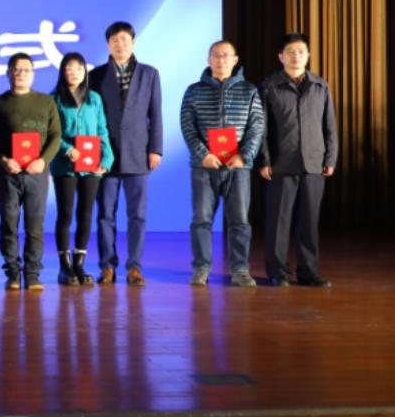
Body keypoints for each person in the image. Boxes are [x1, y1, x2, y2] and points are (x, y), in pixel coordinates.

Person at [180, 40, 265, 287]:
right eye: (216, 56)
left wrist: (244, 155)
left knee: (239, 221)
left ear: (235, 60)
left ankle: (240, 269)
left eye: (226, 55)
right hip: (204, 167)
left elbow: (257, 125)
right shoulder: (194, 91)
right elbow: (187, 125)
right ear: (209, 60)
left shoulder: (249, 90)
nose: (221, 60)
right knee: (201, 219)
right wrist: (202, 154)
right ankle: (201, 268)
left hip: (238, 168)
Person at [258, 33, 337, 288]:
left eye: (301, 51)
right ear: (280, 57)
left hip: (314, 163)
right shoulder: (269, 87)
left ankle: (308, 272)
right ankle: (278, 272)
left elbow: (330, 126)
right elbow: (261, 129)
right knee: (278, 222)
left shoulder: (320, 86)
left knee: (309, 222)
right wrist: (264, 160)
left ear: (308, 56)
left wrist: (330, 157)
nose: (296, 56)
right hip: (281, 164)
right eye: (290, 52)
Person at [88, 21, 163, 286]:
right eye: (114, 40)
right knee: (105, 214)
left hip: (138, 153)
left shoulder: (149, 74)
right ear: (108, 44)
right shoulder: (95, 75)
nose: (119, 44)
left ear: (133, 42)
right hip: (105, 155)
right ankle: (107, 266)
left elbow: (155, 113)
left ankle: (134, 267)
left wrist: (155, 149)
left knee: (137, 214)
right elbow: (91, 116)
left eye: (124, 39)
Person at [0, 53, 61, 291]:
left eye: (26, 69)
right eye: (16, 69)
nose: (21, 73)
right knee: (8, 224)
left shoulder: (46, 102)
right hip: (8, 174)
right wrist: (3, 160)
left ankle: (32, 273)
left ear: (33, 74)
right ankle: (12, 272)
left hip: (37, 174)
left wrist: (43, 161)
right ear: (8, 73)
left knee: (35, 226)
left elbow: (55, 136)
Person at [50, 52, 114, 286]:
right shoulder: (54, 99)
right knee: (65, 214)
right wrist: (67, 149)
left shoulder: (94, 98)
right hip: (64, 165)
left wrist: (107, 158)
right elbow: (51, 133)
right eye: (69, 68)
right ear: (62, 72)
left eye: (79, 68)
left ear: (84, 71)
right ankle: (64, 267)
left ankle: (79, 264)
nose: (74, 72)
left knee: (85, 214)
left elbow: (102, 130)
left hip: (91, 165)